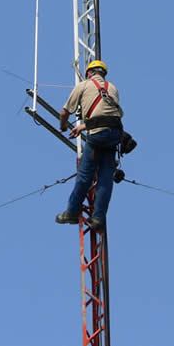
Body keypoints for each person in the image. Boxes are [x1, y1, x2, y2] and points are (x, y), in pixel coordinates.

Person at [55, 60, 123, 231]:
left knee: (85, 176)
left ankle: (71, 212)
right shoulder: (112, 88)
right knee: (106, 179)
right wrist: (83, 127)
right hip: (114, 135)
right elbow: (106, 115)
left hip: (98, 136)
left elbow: (64, 112)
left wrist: (63, 125)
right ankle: (98, 218)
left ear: (88, 73)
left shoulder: (84, 85)